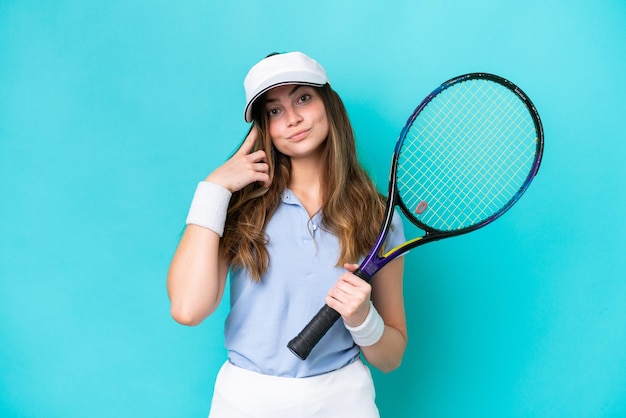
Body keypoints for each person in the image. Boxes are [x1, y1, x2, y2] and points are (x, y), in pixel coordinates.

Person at [167, 51, 407, 418]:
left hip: (343, 402)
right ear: (263, 127)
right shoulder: (237, 206)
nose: (292, 118)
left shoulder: (378, 215)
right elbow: (187, 309)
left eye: (303, 98)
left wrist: (362, 318)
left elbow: (390, 358)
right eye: (274, 111)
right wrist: (213, 189)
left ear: (329, 104)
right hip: (246, 402)